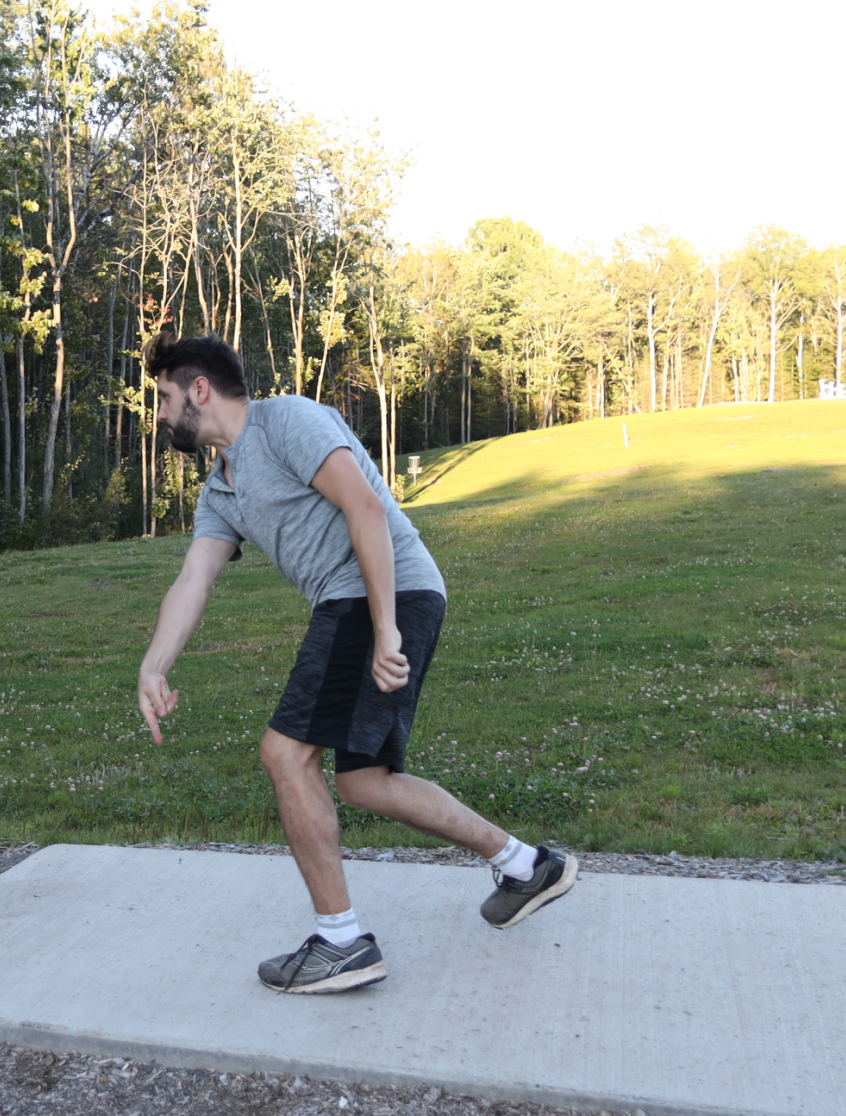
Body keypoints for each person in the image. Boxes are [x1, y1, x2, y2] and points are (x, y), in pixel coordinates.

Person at [135, 333, 578, 995]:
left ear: (200, 389)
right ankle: (526, 866)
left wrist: (384, 628)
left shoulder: (286, 421)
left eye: (165, 398)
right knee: (365, 781)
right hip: (369, 602)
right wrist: (153, 666)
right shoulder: (220, 489)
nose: (162, 415)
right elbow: (194, 579)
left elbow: (365, 506)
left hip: (374, 596)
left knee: (286, 754)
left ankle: (341, 942)